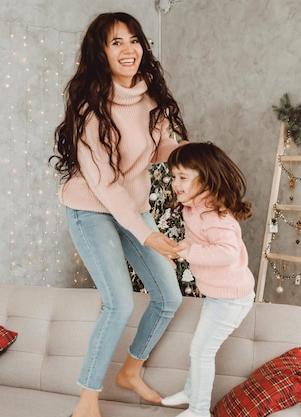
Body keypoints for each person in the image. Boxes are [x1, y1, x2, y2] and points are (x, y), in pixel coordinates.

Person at [50, 12, 188, 417]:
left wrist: (192, 157)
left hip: (132, 207)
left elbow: (162, 152)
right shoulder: (90, 110)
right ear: (101, 53)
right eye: (116, 43)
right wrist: (147, 236)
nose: (128, 50)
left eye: (133, 40)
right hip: (90, 208)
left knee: (169, 298)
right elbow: (105, 185)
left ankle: (131, 371)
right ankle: (87, 401)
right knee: (120, 303)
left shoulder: (152, 101)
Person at [161, 142, 256, 417]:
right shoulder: (192, 208)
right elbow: (198, 243)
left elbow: (226, 253)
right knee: (198, 348)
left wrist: (191, 251)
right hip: (218, 295)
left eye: (183, 177)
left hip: (232, 299)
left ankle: (199, 410)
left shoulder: (214, 214)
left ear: (205, 178)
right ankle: (192, 392)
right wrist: (181, 249)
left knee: (202, 351)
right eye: (173, 176)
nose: (175, 183)